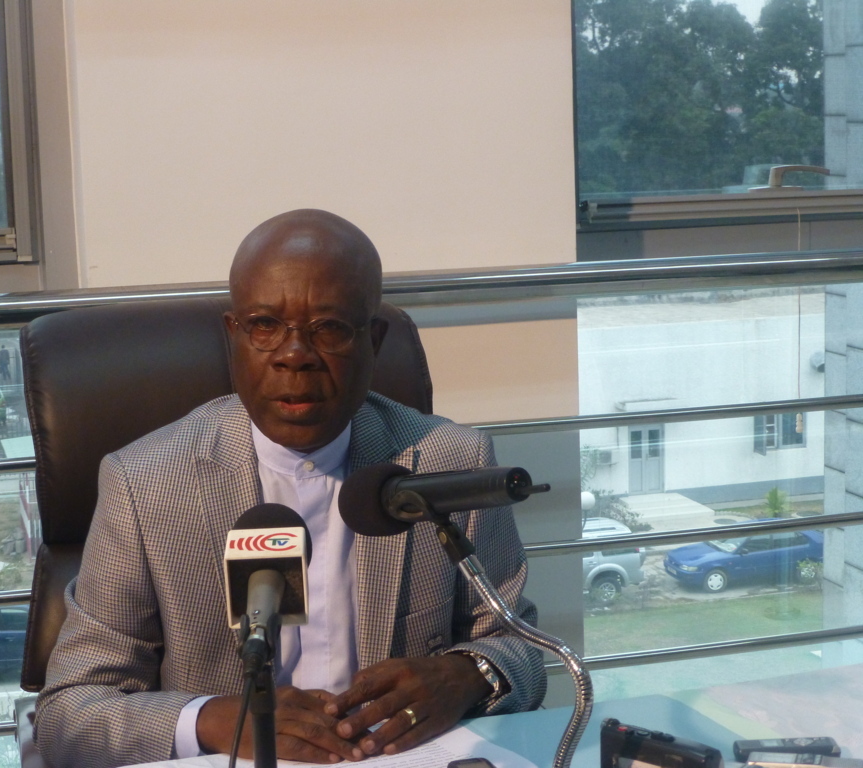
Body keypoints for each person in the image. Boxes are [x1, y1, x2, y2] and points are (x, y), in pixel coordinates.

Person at [34, 210, 546, 768]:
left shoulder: (450, 463)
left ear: (373, 341)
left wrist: (466, 674)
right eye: (264, 325)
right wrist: (213, 720)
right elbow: (69, 713)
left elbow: (523, 649)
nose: (295, 355)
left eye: (329, 328)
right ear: (233, 336)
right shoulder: (146, 483)